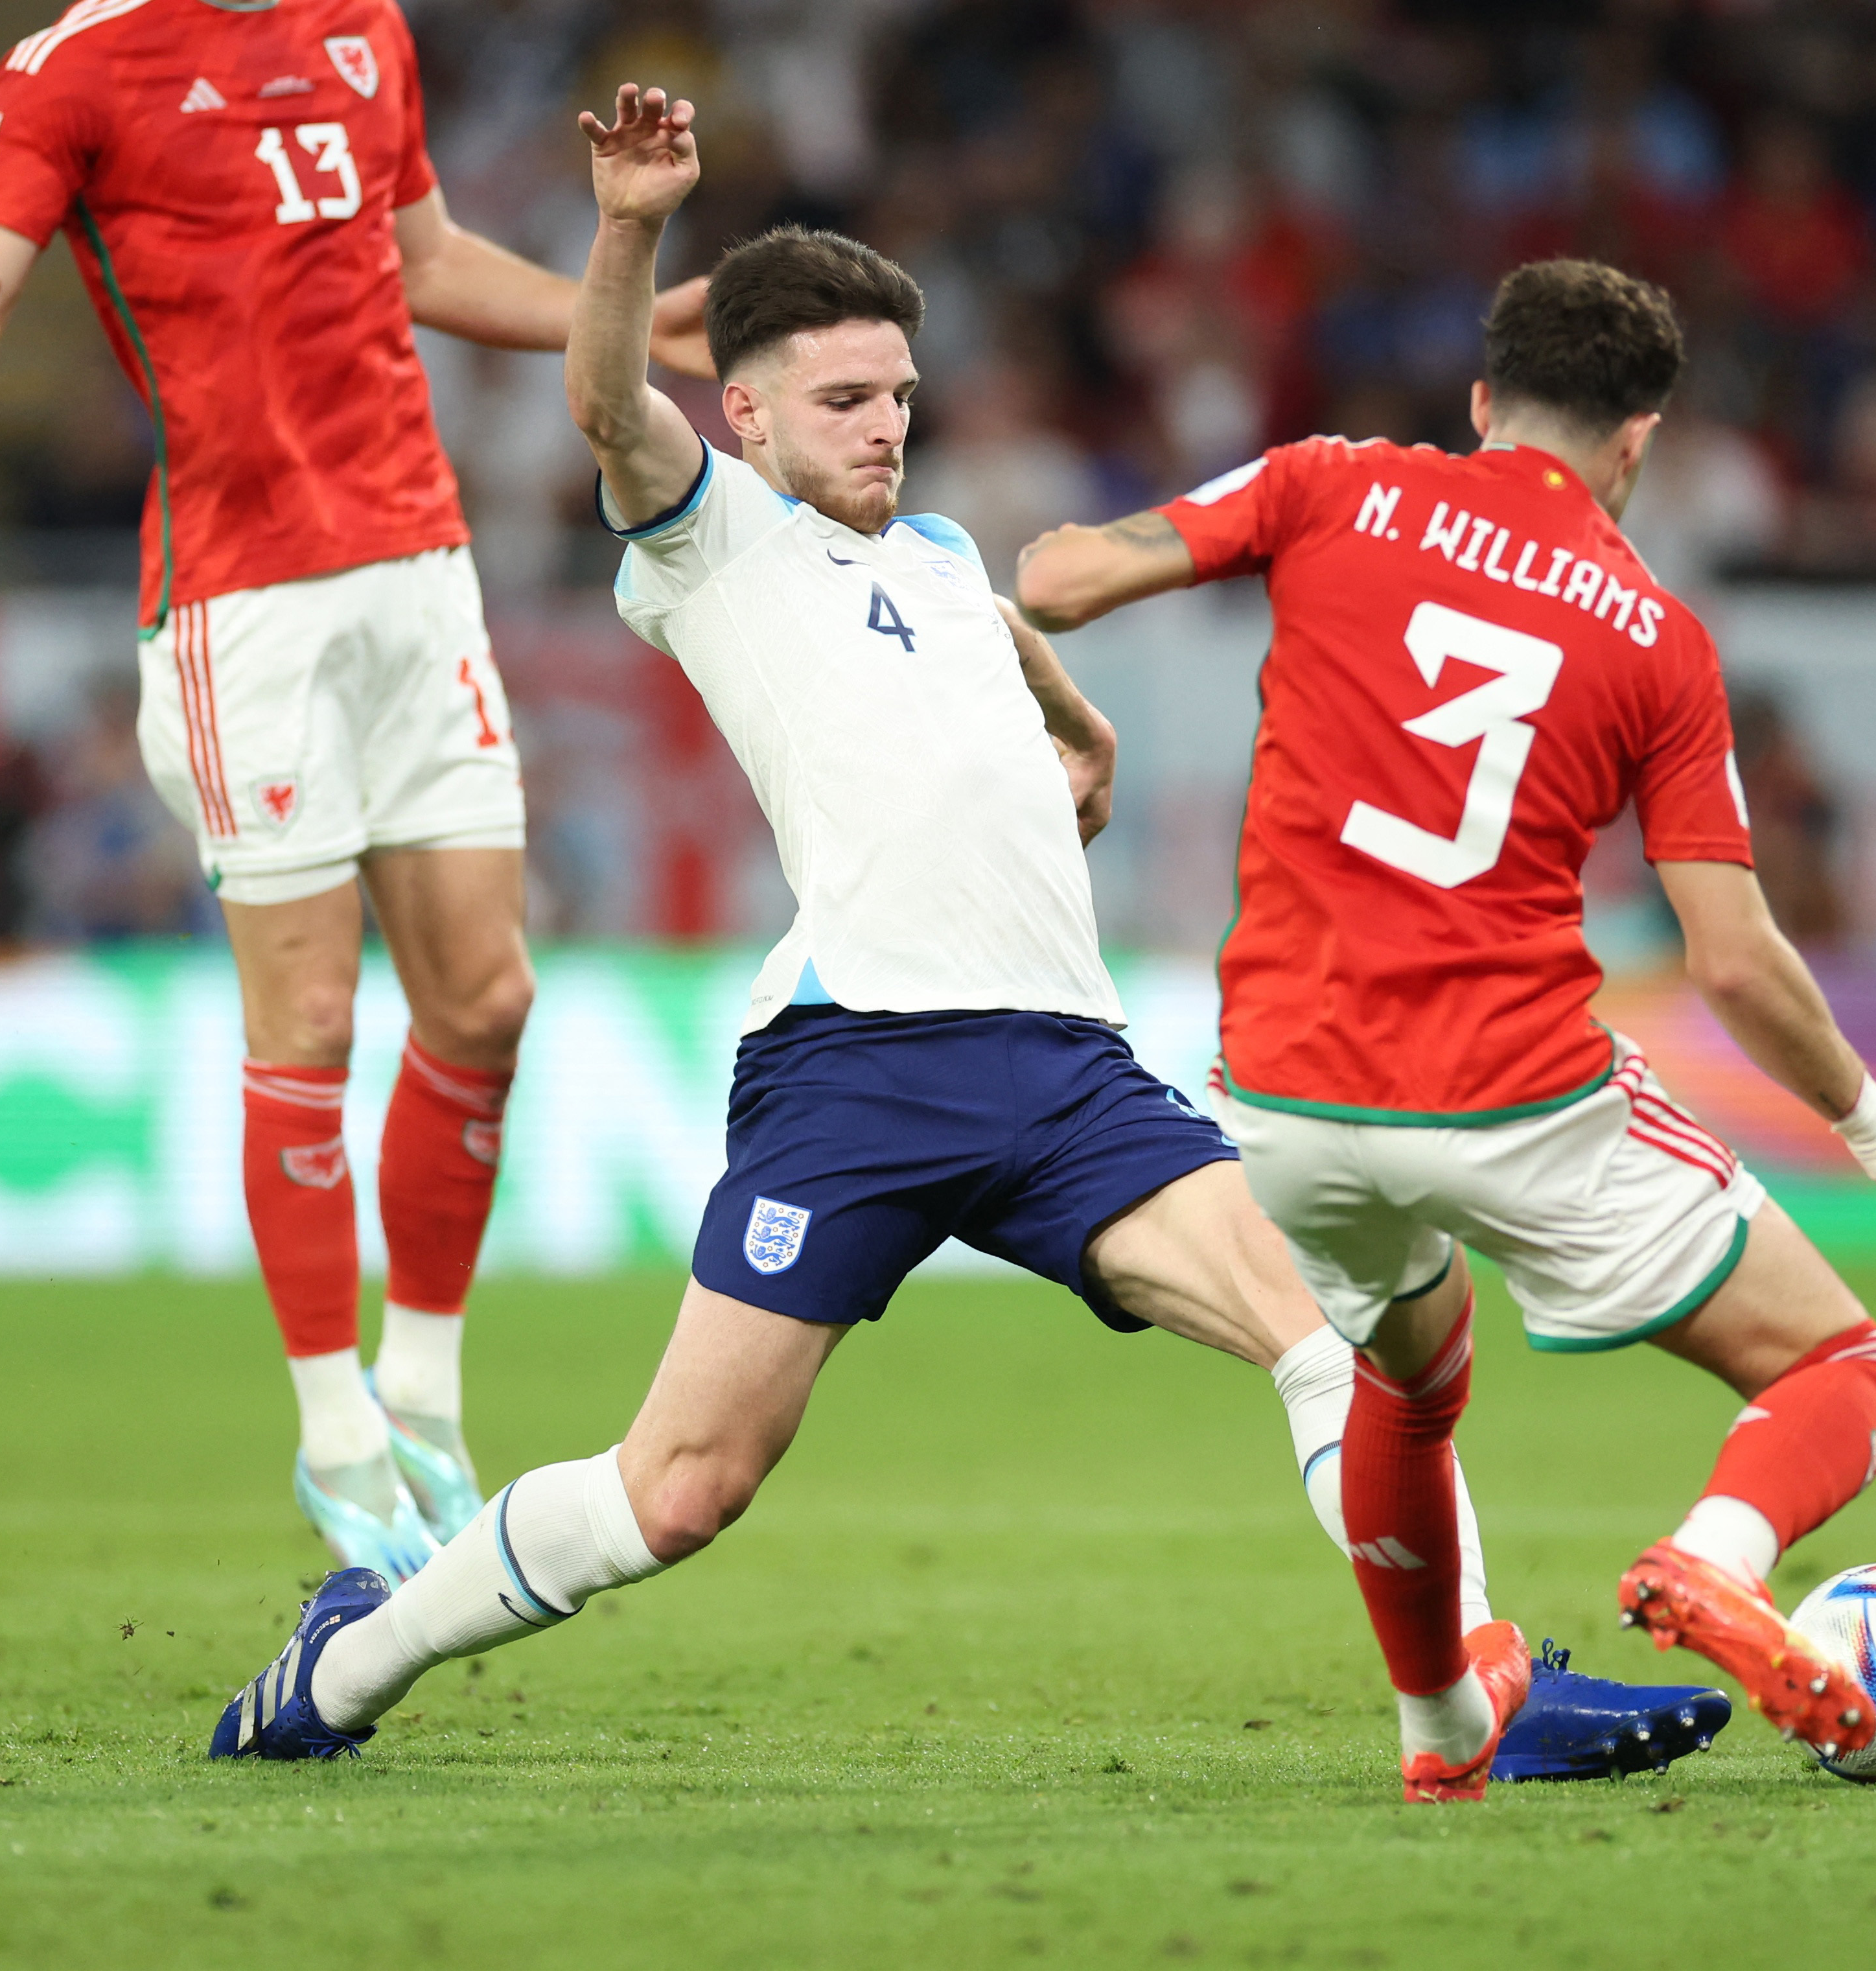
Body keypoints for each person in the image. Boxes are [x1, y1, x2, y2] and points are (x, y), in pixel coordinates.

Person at [209, 93, 1726, 1797]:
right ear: (751, 408)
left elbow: (998, 649)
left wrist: (1080, 737)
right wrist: (629, 227)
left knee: (1332, 1335)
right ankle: (347, 1656)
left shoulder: (932, 554)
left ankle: (1468, 1703)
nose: (882, 431)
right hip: (858, 1067)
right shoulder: (709, 538)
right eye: (845, 401)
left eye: (900, 399)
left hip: (1067, 1072)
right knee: (681, 1488)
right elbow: (598, 400)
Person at [1012, 259, 1876, 1769]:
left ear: (1479, 401)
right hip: (1513, 1097)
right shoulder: (1655, 637)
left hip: (1282, 1099)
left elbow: (1061, 579)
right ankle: (1718, 1562)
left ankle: (1440, 1722)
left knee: (1406, 1384)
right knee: (1843, 1370)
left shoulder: (1327, 482)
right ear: (1637, 441)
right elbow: (1729, 955)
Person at [0, 0, 620, 1578]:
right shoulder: (75, 63)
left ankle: (430, 1391)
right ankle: (330, 1435)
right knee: (308, 1017)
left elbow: (430, 263)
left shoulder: (366, 29)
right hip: (243, 606)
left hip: (419, 565)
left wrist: (640, 315)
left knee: (485, 996)